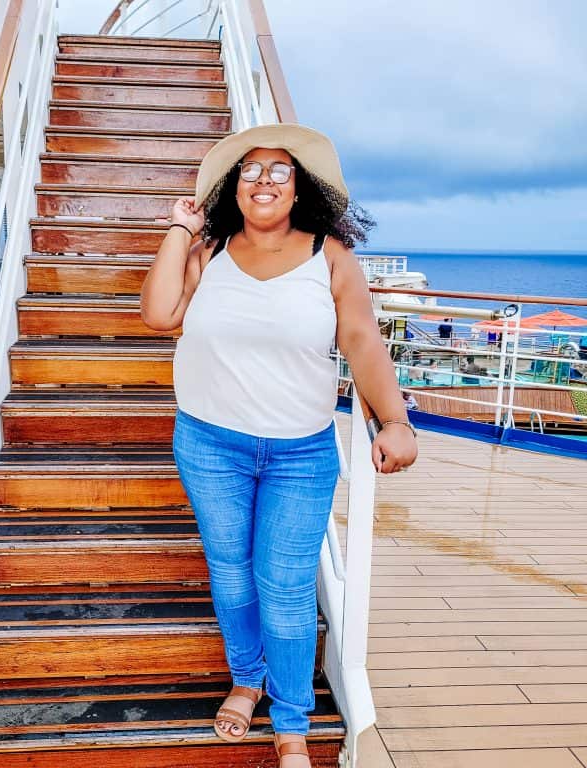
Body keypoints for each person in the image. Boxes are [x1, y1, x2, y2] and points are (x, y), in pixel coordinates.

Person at [140, 124, 418, 767]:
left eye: (279, 171)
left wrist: (397, 420)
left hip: (299, 451)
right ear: (233, 188)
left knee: (287, 589)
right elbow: (158, 315)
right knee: (233, 577)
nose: (263, 180)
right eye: (250, 170)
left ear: (299, 191)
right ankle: (247, 679)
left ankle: (291, 723)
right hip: (210, 443)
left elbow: (363, 344)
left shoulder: (332, 258)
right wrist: (180, 229)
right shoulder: (207, 252)